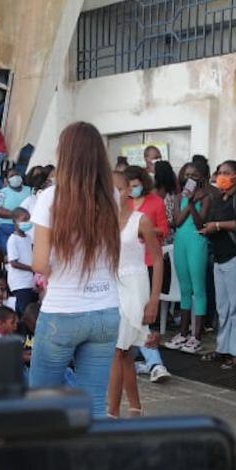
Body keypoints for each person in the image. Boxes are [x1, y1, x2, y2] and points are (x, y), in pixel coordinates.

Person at [30, 122, 122, 417]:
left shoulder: (49, 198)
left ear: (65, 155)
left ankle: (46, 463)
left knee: (41, 401)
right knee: (94, 403)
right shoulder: (112, 197)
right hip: (107, 310)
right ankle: (91, 462)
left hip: (62, 311)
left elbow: (40, 264)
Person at [107, 179, 163, 418]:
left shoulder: (140, 220)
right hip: (111, 286)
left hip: (135, 285)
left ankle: (111, 412)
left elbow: (158, 260)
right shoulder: (103, 223)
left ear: (128, 191)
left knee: (119, 350)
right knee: (123, 351)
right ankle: (135, 407)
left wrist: (154, 300)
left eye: (118, 189)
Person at [201, 160, 236, 369]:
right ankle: (223, 347)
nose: (222, 176)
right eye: (219, 172)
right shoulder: (220, 197)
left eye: (227, 172)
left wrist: (217, 225)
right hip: (220, 256)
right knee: (223, 307)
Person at [166, 162, 211, 353]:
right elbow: (176, 222)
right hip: (180, 243)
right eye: (187, 175)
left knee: (198, 289)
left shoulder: (206, 197)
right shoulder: (178, 197)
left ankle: (197, 336)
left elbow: (200, 222)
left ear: (201, 178)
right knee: (184, 288)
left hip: (196, 242)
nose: (189, 178)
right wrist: (188, 201)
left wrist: (193, 203)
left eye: (194, 175)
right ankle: (183, 333)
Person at [6, 207, 36, 316]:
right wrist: (32, 268)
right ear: (14, 221)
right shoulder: (13, 239)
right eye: (23, 220)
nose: (26, 223)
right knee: (25, 311)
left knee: (27, 308)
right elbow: (13, 263)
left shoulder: (28, 238)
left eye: (28, 220)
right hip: (19, 282)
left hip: (29, 281)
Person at [0, 171, 32, 253]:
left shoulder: (29, 190)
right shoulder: (1, 192)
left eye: (17, 174)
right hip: (6, 228)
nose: (15, 177)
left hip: (26, 227)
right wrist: (17, 215)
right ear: (7, 180)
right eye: (12, 175)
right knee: (9, 254)